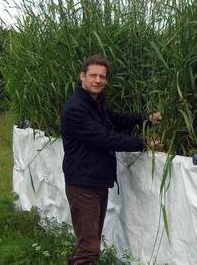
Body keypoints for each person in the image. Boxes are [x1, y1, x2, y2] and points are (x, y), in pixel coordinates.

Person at [61, 54, 161, 265]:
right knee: (89, 248)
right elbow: (104, 138)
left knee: (87, 242)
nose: (98, 80)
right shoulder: (76, 109)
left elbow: (117, 120)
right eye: (93, 75)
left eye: (102, 77)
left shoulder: (96, 104)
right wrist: (143, 143)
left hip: (96, 182)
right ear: (82, 77)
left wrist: (147, 119)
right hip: (83, 185)